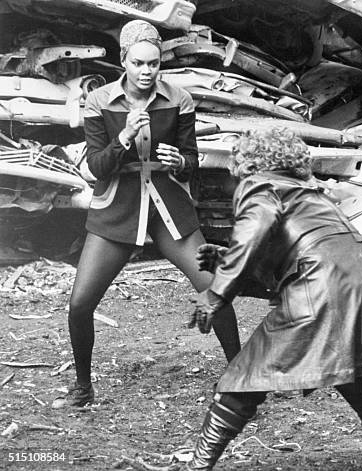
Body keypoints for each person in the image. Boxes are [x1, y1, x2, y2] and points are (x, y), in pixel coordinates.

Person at [185, 128, 362, 470]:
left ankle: (198, 466)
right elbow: (298, 255)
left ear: (248, 161)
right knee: (349, 369)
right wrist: (228, 261)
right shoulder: (311, 192)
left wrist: (215, 293)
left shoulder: (259, 185)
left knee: (244, 375)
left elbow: (258, 232)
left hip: (324, 282)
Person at [60, 20, 240, 408]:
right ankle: (82, 389)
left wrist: (180, 161)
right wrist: (123, 138)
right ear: (124, 60)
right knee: (79, 304)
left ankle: (241, 383)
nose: (146, 72)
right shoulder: (99, 101)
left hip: (168, 210)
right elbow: (96, 168)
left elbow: (191, 161)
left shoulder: (179, 99)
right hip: (117, 210)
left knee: (215, 290)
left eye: (154, 64)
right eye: (138, 63)